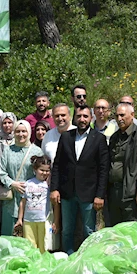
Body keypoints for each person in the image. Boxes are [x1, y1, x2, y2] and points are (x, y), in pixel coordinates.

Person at [51, 105, 109, 252]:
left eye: (85, 116)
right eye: (79, 116)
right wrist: (54, 189)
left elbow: (104, 169)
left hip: (89, 194)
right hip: (67, 193)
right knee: (67, 230)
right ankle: (67, 258)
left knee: (88, 230)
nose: (82, 119)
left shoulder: (99, 139)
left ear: (91, 118)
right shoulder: (66, 137)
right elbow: (57, 165)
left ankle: (87, 259)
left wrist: (100, 195)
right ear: (74, 118)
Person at [106, 103, 137, 227]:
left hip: (131, 193)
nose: (119, 118)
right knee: (115, 232)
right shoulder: (115, 137)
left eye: (122, 115)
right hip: (114, 192)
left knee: (132, 233)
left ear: (132, 115)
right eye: (117, 116)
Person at [0, 120, 43, 236]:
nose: (21, 134)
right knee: (9, 233)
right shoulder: (8, 150)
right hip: (11, 198)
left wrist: (30, 186)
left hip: (30, 198)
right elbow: (2, 172)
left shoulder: (37, 151)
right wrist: (13, 183)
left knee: (28, 234)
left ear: (29, 132)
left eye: (24, 131)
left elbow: (41, 173)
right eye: (17, 131)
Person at [16, 156, 59, 253]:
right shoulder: (28, 183)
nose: (44, 173)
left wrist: (56, 222)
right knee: (30, 248)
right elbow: (23, 202)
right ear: (35, 169)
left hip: (44, 220)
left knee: (44, 247)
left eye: (47, 171)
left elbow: (55, 205)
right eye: (41, 170)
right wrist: (20, 219)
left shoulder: (49, 186)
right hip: (28, 221)